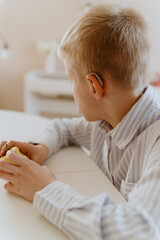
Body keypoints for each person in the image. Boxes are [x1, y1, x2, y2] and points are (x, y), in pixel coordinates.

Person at [0, 3, 159, 239]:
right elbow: (64, 129)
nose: (71, 87)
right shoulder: (107, 119)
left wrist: (45, 189)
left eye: (70, 80)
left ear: (94, 86)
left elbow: (139, 231)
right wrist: (41, 147)